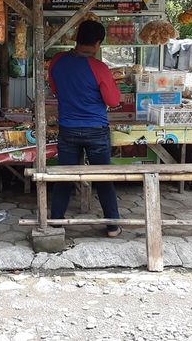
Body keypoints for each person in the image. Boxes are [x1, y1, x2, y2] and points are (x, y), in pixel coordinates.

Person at [48, 20, 122, 237]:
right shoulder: (99, 68)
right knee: (103, 178)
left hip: (68, 129)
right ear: (98, 43)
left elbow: (54, 88)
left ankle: (56, 222)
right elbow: (112, 99)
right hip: (96, 130)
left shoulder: (57, 61)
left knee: (64, 177)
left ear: (76, 37)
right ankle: (112, 226)